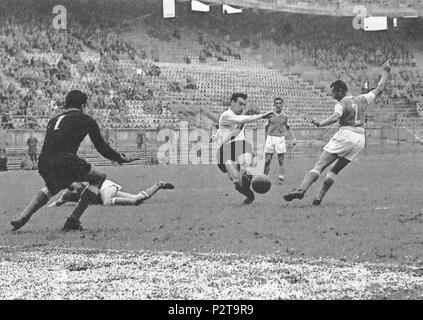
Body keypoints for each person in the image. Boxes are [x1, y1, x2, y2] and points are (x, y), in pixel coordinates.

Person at [11, 90, 134, 231]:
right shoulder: (85, 119)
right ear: (82, 105)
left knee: (53, 187)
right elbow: (101, 147)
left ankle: (23, 216)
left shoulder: (53, 120)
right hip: (66, 159)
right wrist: (119, 158)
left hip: (44, 162)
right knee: (99, 177)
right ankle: (73, 220)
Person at [284, 60, 391, 205]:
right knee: (335, 170)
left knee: (320, 165)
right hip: (360, 139)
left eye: (334, 93)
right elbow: (379, 88)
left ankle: (301, 189)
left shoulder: (341, 104)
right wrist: (386, 71)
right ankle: (318, 198)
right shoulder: (362, 99)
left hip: (346, 134)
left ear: (340, 91)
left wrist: (320, 123)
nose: (333, 96)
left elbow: (336, 116)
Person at [216, 93, 274, 204]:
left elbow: (236, 130)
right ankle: (249, 194)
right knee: (237, 182)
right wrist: (262, 116)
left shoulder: (237, 118)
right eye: (240, 104)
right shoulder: (226, 115)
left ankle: (251, 177)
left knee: (246, 168)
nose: (242, 107)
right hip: (225, 151)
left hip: (240, 147)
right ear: (232, 102)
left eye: (244, 105)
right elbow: (241, 121)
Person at [48, 179, 174, 207]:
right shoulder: (66, 195)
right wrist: (49, 207)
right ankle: (159, 185)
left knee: (107, 203)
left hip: (105, 187)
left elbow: (92, 184)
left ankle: (131, 202)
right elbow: (58, 203)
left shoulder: (82, 183)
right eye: (70, 188)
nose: (74, 189)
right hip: (107, 191)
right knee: (139, 198)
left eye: (73, 186)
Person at [263, 97, 296, 184]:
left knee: (281, 160)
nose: (278, 105)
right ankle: (265, 177)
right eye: (276, 103)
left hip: (280, 139)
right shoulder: (270, 115)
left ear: (282, 105)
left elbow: (288, 127)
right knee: (267, 160)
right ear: (274, 104)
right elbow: (266, 127)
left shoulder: (285, 116)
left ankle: (280, 178)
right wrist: (266, 137)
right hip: (270, 138)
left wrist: (293, 138)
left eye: (280, 103)